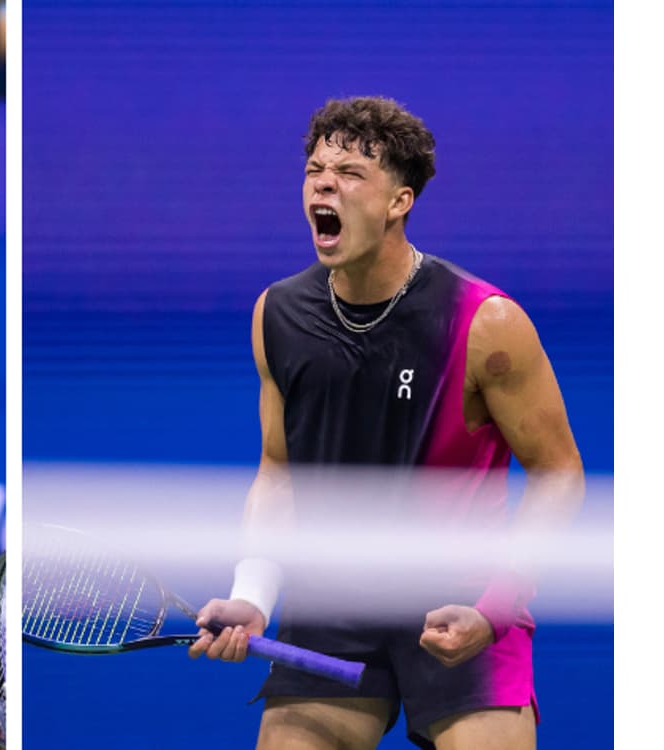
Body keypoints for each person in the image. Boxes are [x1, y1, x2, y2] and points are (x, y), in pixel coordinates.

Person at [188, 97, 584, 750]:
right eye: (316, 168)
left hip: (463, 593)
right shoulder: (278, 314)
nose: (323, 182)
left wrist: (496, 607)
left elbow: (559, 474)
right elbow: (280, 470)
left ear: (399, 202)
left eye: (349, 172)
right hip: (331, 598)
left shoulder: (485, 322)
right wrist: (253, 592)